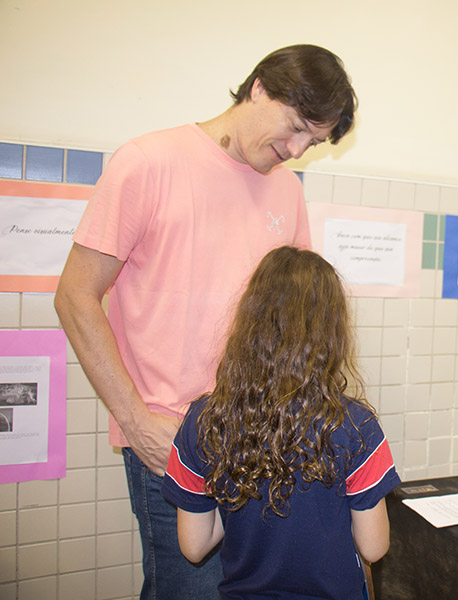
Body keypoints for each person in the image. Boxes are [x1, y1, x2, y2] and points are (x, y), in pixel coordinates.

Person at [54, 45, 357, 599]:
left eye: (312, 143)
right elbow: (75, 296)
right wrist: (134, 419)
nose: (296, 150)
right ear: (260, 88)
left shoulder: (287, 190)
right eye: (296, 128)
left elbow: (296, 320)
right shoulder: (148, 162)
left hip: (263, 444)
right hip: (173, 438)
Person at [162, 247, 400, 598]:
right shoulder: (356, 426)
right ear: (331, 332)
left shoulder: (204, 421)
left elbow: (194, 546)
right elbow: (374, 547)